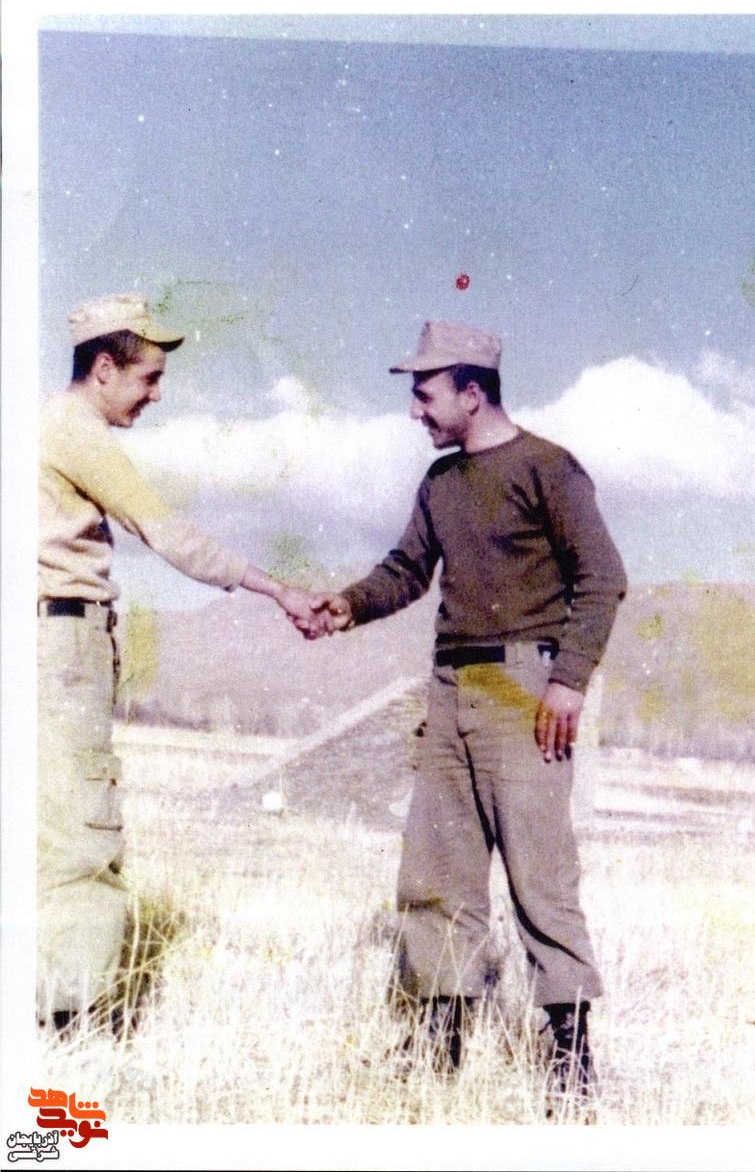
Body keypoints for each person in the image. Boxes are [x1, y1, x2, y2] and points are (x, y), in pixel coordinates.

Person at [307, 320, 627, 1102]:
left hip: (525, 692)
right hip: (448, 690)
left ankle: (571, 1067)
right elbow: (406, 569)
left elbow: (602, 577)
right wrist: (347, 604)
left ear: (472, 392)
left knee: (540, 877)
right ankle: (437, 1051)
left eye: (425, 395)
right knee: (437, 871)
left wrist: (568, 681)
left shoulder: (549, 468)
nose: (415, 411)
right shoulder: (440, 483)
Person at [38, 293, 325, 1032]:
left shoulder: (43, 426)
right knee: (79, 833)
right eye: (150, 378)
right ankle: (70, 1029)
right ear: (105, 369)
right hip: (59, 643)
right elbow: (170, 535)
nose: (157, 395)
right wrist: (276, 588)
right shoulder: (72, 431)